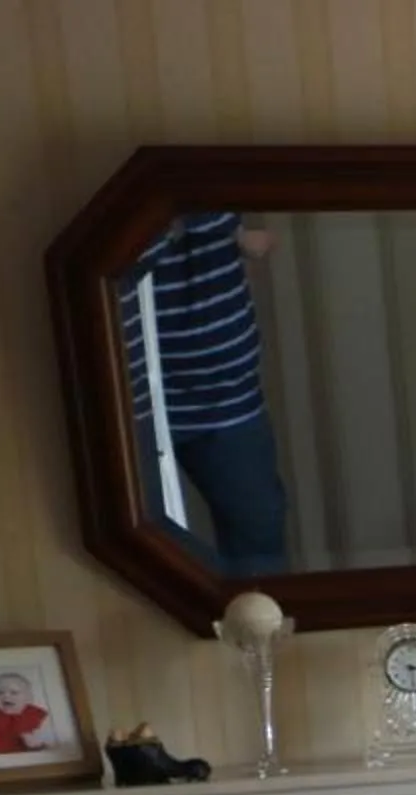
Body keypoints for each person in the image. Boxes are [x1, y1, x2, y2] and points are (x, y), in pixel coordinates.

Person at [120, 210, 288, 572]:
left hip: (232, 399)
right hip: (136, 408)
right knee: (146, 553)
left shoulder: (209, 176)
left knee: (260, 541)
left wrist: (234, 231)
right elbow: (118, 258)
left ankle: (258, 629)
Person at [0, 672, 56, 758]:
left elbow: (45, 732)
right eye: (0, 693)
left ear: (28, 698)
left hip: (24, 752)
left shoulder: (33, 714)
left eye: (14, 693)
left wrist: (36, 742)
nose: (6, 696)